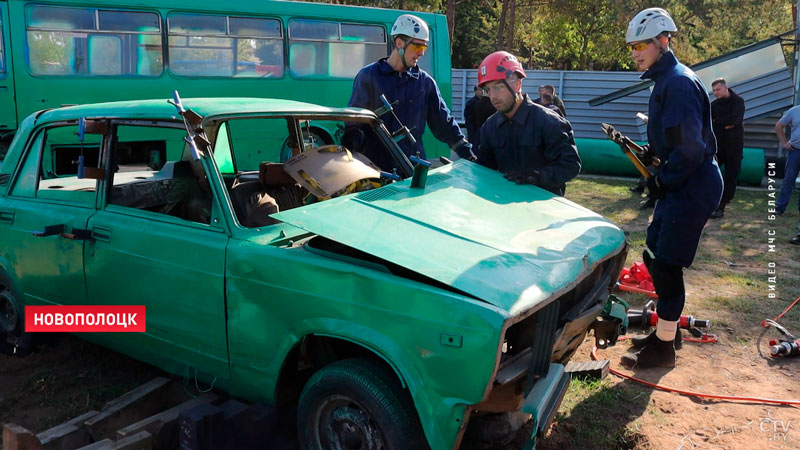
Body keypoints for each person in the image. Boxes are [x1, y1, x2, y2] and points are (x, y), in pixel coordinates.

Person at [620, 8, 722, 369]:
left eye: (642, 44)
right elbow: (676, 139)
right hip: (681, 182)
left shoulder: (676, 82)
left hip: (692, 185)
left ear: (664, 41)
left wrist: (664, 179)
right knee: (654, 251)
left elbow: (691, 148)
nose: (635, 52)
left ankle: (664, 347)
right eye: (632, 46)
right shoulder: (665, 80)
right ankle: (666, 330)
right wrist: (655, 155)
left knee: (666, 264)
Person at [345, 14, 474, 171]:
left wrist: (469, 154)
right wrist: (351, 151)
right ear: (399, 43)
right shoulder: (369, 76)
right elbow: (354, 122)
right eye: (417, 46)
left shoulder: (425, 83)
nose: (422, 53)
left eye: (424, 47)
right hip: (374, 170)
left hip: (413, 170)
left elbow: (445, 124)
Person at [475, 51, 581, 196]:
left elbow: (570, 165)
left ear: (517, 84)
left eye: (498, 87)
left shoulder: (549, 122)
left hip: (544, 211)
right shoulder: (490, 127)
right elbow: (486, 169)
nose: (493, 96)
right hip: (504, 208)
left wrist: (537, 177)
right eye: (488, 90)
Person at [710, 78, 745, 219]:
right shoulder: (714, 105)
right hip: (718, 147)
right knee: (712, 175)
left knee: (731, 176)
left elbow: (734, 120)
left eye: (718, 90)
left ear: (726, 88)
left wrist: (720, 122)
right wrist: (723, 124)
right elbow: (710, 123)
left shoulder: (738, 102)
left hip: (734, 147)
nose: (715, 93)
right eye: (713, 91)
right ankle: (711, 203)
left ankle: (722, 206)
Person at [775, 104, 800, 217]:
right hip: (795, 151)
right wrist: (784, 143)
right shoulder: (794, 111)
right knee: (788, 180)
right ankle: (780, 207)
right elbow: (779, 125)